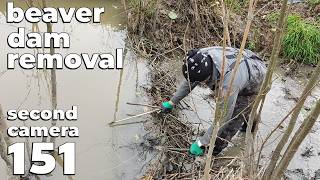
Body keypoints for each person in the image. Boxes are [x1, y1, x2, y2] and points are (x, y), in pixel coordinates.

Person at [161, 46, 267, 156]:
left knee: (236, 116)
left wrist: (202, 143)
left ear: (208, 76)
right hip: (241, 67)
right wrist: (172, 102)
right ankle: (249, 116)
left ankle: (215, 152)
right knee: (243, 109)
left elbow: (223, 117)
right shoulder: (199, 57)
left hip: (255, 77)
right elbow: (191, 81)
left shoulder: (228, 85)